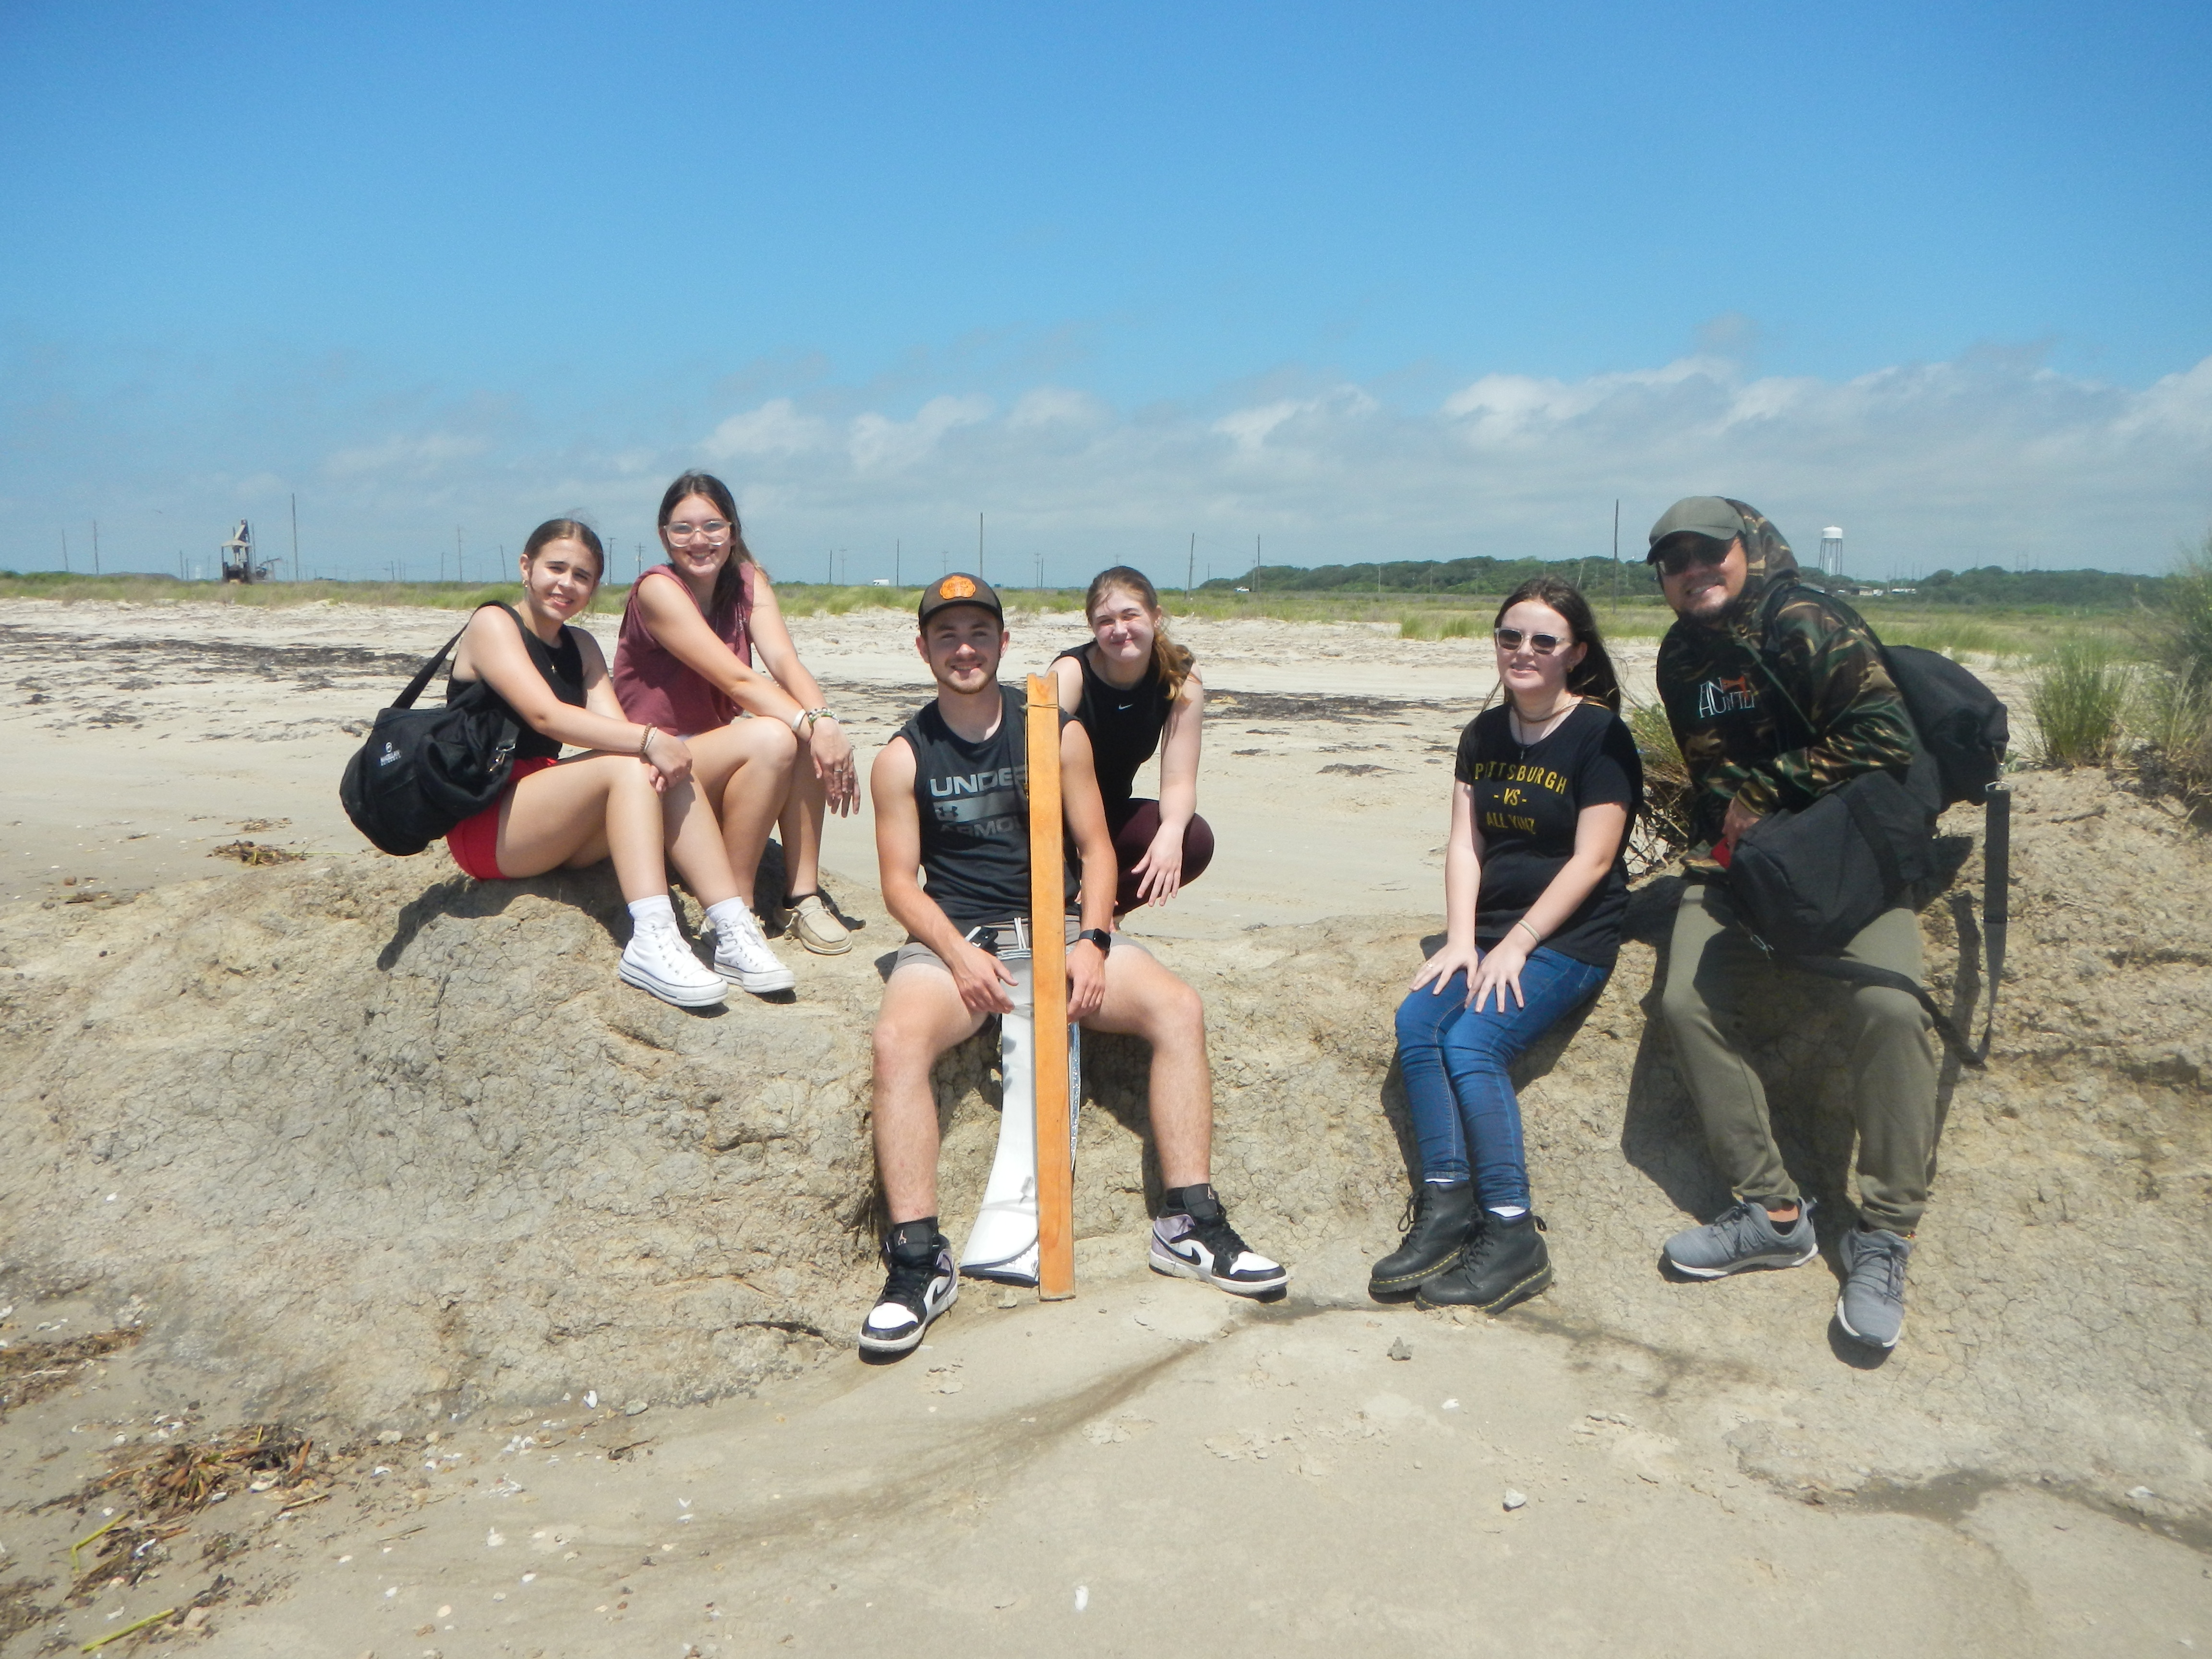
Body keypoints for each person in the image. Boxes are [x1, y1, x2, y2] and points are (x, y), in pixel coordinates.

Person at [858, 574, 1287, 1356]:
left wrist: (1092, 941)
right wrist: (956, 955)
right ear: (923, 648)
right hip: (959, 937)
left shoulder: (1054, 732)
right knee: (896, 1042)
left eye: (978, 633)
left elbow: (1095, 850)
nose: (964, 648)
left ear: (1002, 643)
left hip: (1058, 927)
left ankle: (1186, 1220)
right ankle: (918, 1257)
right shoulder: (901, 755)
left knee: (1177, 1008)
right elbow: (896, 884)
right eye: (947, 635)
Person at [1645, 496, 1932, 1350]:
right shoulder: (1677, 654)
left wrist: (1766, 790)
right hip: (1739, 868)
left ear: (1748, 548)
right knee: (1684, 1005)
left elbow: (1888, 739)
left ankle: (1884, 1231)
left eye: (1709, 551)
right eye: (1672, 559)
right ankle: (1770, 1212)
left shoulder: (1803, 620)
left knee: (1889, 1007)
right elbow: (1704, 778)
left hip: (1845, 857)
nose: (1693, 569)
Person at [1370, 577, 1643, 1314]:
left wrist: (1519, 942)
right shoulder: (1482, 734)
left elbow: (1593, 859)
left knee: (1473, 1044)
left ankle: (1514, 1233)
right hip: (1488, 931)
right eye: (1509, 637)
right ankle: (1447, 1204)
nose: (1523, 652)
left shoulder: (1602, 736)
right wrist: (1464, 940)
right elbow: (1465, 844)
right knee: (1420, 1023)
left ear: (1575, 654)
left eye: (1543, 641)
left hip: (1568, 937)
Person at [441, 517, 792, 1004]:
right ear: (526, 567)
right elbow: (547, 716)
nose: (566, 584)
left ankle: (731, 926)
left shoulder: (580, 646)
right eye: (556, 568)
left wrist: (652, 746)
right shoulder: (494, 623)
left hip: (554, 816)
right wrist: (650, 739)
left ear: (594, 589)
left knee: (660, 763)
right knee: (640, 757)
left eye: (581, 576)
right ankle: (651, 936)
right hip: (489, 821)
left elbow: (618, 735)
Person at [612, 471, 861, 960]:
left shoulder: (749, 582)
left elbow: (786, 664)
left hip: (709, 758)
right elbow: (739, 682)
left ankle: (800, 896)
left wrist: (826, 723)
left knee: (807, 732)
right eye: (682, 529)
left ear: (733, 531)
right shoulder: (657, 591)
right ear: (664, 535)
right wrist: (809, 724)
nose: (698, 540)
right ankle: (733, 909)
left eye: (713, 526)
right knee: (775, 736)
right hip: (655, 766)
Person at [1048, 567, 1214, 913]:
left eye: (1130, 615)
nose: (1120, 630)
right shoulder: (1070, 674)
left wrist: (1170, 833)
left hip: (1110, 814)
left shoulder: (1181, 674)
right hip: (1051, 818)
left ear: (1155, 617)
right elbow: (1028, 773)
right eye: (1106, 621)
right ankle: (1073, 904)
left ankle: (1100, 911)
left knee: (1193, 839)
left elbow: (1179, 780)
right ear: (1093, 627)